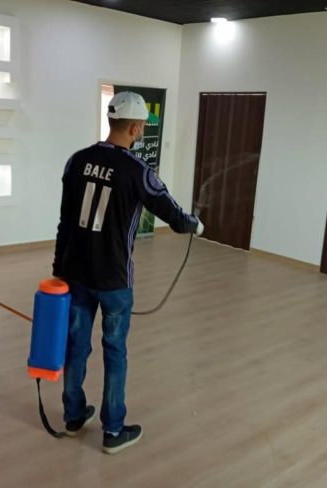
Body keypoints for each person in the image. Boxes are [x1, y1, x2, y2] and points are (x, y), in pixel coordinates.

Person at [53, 91, 203, 454]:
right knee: (115, 350)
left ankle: (73, 416)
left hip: (74, 274)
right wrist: (194, 224)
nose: (142, 132)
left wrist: (58, 269)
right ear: (135, 128)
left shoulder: (77, 161)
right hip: (114, 281)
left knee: (76, 345)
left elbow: (65, 221)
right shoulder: (138, 172)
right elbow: (174, 216)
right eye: (142, 127)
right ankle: (113, 430)